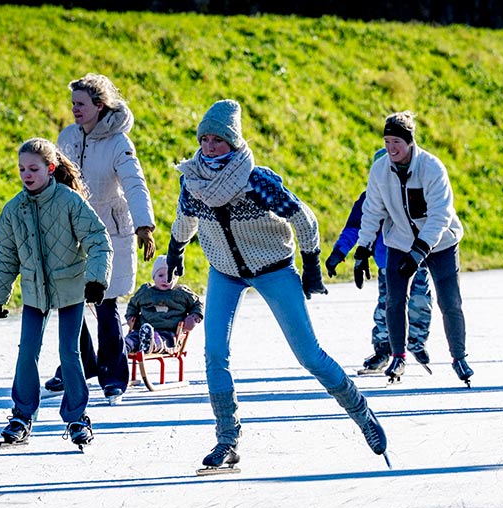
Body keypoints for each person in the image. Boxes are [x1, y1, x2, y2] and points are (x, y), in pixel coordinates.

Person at [166, 99, 389, 472]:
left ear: (233, 142)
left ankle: (361, 412)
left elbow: (304, 218)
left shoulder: (257, 181)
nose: (208, 147)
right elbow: (185, 217)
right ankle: (227, 439)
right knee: (214, 354)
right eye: (204, 139)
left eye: (217, 140)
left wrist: (312, 263)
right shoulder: (194, 179)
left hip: (272, 267)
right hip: (224, 271)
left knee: (309, 355)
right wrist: (176, 249)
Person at [0, 137, 112, 450]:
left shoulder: (69, 201)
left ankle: (77, 418)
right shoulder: (14, 209)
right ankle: (21, 416)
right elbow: (5, 255)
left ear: (50, 168)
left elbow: (98, 238)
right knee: (26, 351)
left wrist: (96, 280)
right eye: (21, 169)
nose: (26, 174)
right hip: (34, 290)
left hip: (70, 287)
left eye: (33, 168)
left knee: (69, 352)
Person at [44, 73, 156, 405]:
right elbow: (53, 182)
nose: (74, 109)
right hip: (72, 228)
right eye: (73, 103)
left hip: (110, 228)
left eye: (80, 104)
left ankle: (114, 377)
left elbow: (135, 183)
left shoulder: (119, 142)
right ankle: (77, 366)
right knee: (69, 302)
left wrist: (144, 226)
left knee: (106, 305)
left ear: (99, 105)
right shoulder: (67, 136)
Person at [354, 112, 474, 387]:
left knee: (449, 301)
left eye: (397, 141)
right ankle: (398, 356)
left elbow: (440, 216)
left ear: (409, 142)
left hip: (441, 242)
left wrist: (419, 253)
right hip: (400, 240)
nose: (391, 148)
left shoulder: (431, 168)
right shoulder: (380, 169)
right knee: (395, 300)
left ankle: (459, 356)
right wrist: (362, 250)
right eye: (386, 141)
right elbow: (372, 210)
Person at [325, 185, 434, 375]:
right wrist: (339, 252)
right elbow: (354, 227)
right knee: (388, 305)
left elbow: (433, 222)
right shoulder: (370, 197)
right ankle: (383, 348)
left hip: (417, 258)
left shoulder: (417, 190)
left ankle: (416, 341)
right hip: (388, 261)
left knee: (420, 302)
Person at [125, 256, 204, 355]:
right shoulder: (146, 292)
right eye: (161, 275)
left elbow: (197, 304)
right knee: (134, 337)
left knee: (164, 341)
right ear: (154, 276)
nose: (166, 280)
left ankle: (152, 345)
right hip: (143, 330)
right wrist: (131, 317)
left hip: (169, 332)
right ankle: (125, 346)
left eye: (170, 276)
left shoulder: (182, 293)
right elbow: (133, 304)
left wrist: (194, 317)